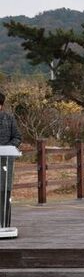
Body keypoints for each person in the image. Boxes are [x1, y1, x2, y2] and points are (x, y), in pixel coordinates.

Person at [0, 91, 22, 228]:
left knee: (4, 193)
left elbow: (17, 137)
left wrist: (7, 148)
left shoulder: (9, 118)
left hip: (5, 161)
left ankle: (3, 224)